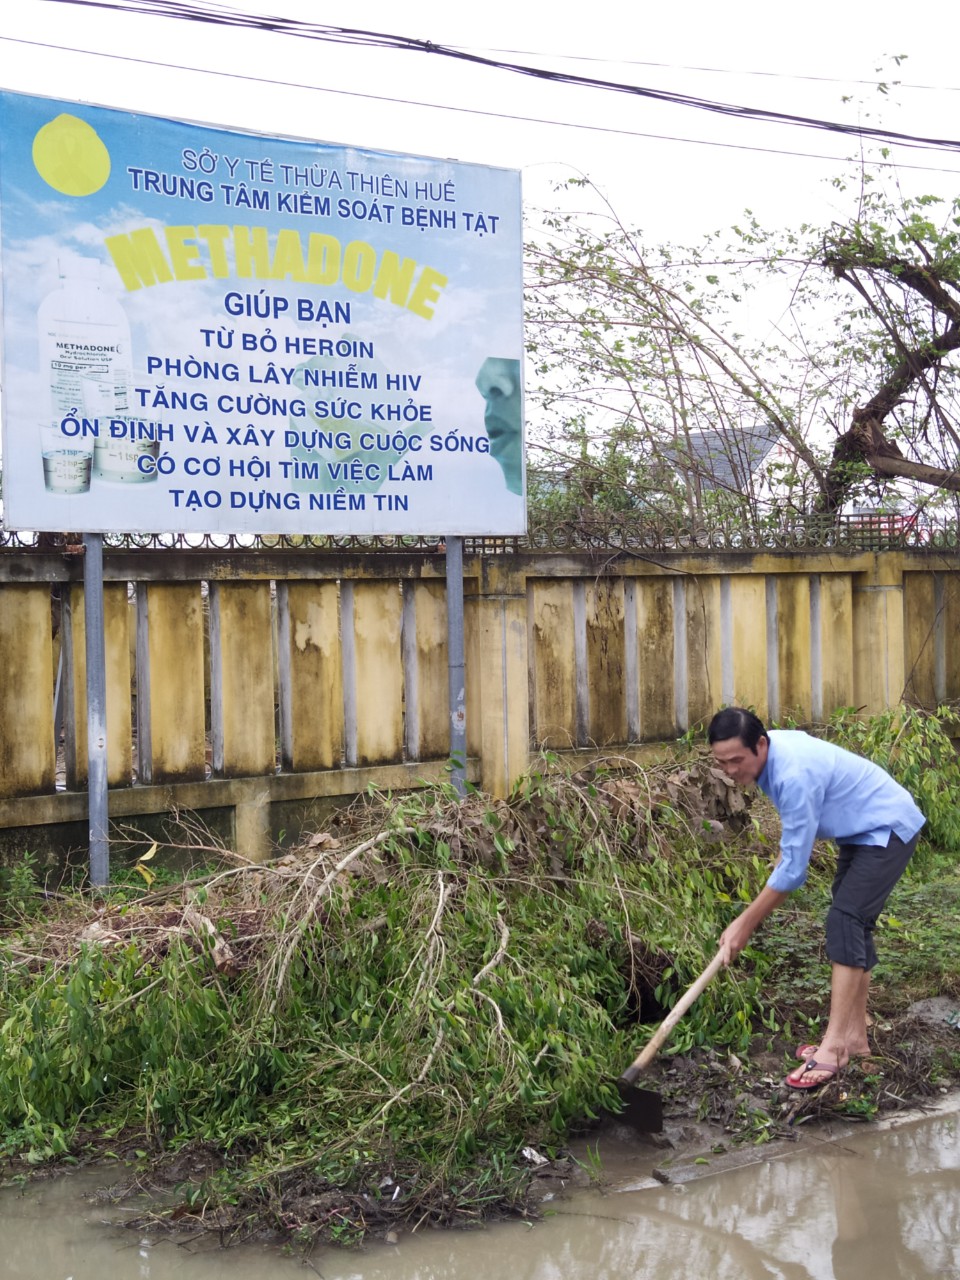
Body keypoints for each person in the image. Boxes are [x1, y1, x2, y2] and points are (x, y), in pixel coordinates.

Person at [707, 707, 925, 1090]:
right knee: (853, 922)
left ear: (760, 744)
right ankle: (854, 1040)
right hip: (861, 831)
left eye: (736, 760)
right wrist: (784, 857)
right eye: (721, 762)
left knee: (846, 919)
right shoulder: (770, 758)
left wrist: (744, 923)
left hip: (887, 827)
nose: (730, 770)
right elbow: (795, 837)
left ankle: (835, 1046)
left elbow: (794, 872)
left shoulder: (792, 773)